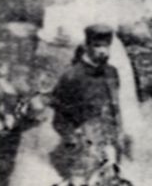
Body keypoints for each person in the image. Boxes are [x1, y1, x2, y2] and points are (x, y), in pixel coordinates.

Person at [49, 27, 128, 186]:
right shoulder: (72, 75)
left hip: (108, 141)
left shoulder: (111, 72)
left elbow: (114, 106)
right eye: (97, 46)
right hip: (82, 146)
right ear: (87, 47)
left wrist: (118, 134)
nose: (103, 51)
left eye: (106, 46)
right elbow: (59, 113)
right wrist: (73, 139)